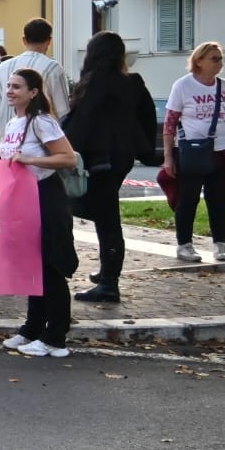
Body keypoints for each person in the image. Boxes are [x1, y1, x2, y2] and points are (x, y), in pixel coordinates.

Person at [62, 32, 158, 304]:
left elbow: (82, 122)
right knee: (107, 213)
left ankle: (109, 283)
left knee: (106, 218)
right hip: (123, 155)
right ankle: (107, 272)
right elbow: (148, 116)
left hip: (98, 156)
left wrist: (65, 150)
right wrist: (144, 149)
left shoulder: (93, 83)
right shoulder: (133, 82)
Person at [0, 68, 79, 358]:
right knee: (33, 266)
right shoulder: (14, 122)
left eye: (17, 87)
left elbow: (68, 157)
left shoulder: (41, 121)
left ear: (33, 92)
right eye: (8, 85)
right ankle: (32, 329)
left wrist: (29, 158)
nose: (10, 91)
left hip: (46, 197)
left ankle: (56, 336)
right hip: (23, 201)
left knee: (50, 267)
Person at [163, 42, 225, 263]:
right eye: (214, 58)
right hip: (193, 151)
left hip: (222, 149)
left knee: (218, 199)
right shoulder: (183, 86)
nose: (219, 63)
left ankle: (220, 244)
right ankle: (184, 244)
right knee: (188, 199)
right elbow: (170, 123)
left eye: (221, 58)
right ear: (199, 60)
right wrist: (168, 157)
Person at [0, 19, 73, 148]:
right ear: (49, 41)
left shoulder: (2, 67)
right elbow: (62, 111)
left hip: (1, 143)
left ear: (24, 40)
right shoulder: (52, 68)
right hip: (37, 145)